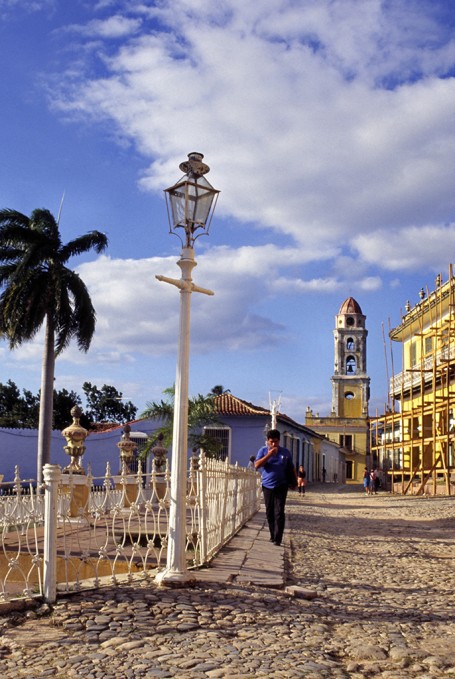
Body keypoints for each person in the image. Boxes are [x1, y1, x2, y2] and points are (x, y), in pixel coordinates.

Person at [254, 429, 297, 546]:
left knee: (279, 512)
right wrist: (269, 455)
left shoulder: (285, 452)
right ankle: (273, 534)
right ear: (267, 441)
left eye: (276, 442)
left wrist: (295, 481)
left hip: (281, 485)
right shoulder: (262, 451)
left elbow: (291, 467)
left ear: (279, 441)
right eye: (271, 442)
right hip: (267, 486)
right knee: (269, 512)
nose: (273, 444)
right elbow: (257, 465)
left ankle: (278, 538)